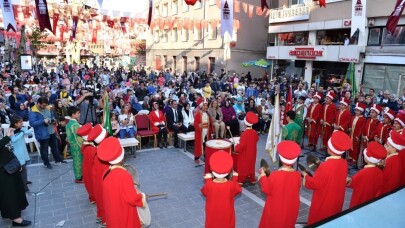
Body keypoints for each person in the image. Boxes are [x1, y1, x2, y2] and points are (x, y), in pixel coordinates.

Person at [302, 131, 351, 225]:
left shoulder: (326, 166)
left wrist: (305, 175)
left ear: (330, 148)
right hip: (336, 201)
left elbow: (315, 183)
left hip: (324, 202)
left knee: (319, 221)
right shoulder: (344, 163)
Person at [98, 137, 146, 228]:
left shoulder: (106, 172)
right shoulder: (124, 175)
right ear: (121, 159)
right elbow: (131, 199)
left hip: (112, 213)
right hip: (123, 212)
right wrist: (142, 196)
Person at [258, 141, 301, 228]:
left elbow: (266, 188)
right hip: (290, 208)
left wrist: (262, 175)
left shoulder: (275, 175)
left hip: (276, 208)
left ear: (281, 159)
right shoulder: (297, 175)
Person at [201, 151, 241, 228]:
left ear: (212, 170)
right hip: (226, 214)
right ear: (229, 171)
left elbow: (204, 192)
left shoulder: (209, 184)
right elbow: (237, 190)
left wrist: (208, 180)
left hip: (212, 215)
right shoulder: (231, 185)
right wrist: (235, 178)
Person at [0, 128, 31, 227]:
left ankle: (8, 213)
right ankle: (15, 218)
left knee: (13, 190)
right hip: (3, 168)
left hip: (8, 164)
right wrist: (7, 137)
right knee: (9, 193)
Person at [29, 97, 65, 169]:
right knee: (44, 149)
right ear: (38, 103)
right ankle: (46, 163)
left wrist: (53, 120)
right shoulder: (33, 111)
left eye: (45, 105)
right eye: (43, 105)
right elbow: (32, 123)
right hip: (42, 134)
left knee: (55, 147)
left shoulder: (48, 108)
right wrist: (43, 121)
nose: (44, 107)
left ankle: (58, 160)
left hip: (51, 131)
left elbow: (52, 116)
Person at [347, 142, 386, 208]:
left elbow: (351, 183)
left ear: (368, 158)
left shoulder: (363, 172)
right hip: (371, 198)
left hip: (359, 199)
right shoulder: (380, 172)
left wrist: (346, 179)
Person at [87, 124, 110, 225]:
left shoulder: (98, 150)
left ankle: (100, 215)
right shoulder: (103, 154)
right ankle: (105, 219)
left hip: (97, 180)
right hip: (102, 181)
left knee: (100, 199)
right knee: (105, 200)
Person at [10, 116, 33, 192]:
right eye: (20, 122)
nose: (21, 123)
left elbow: (27, 132)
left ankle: (25, 181)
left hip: (23, 151)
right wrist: (21, 133)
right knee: (22, 169)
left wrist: (29, 129)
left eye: (21, 122)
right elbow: (13, 140)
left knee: (24, 167)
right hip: (17, 153)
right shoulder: (11, 130)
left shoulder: (21, 129)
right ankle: (24, 186)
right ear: (15, 123)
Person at [235, 112, 259, 185]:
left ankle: (241, 180)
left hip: (245, 153)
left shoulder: (244, 134)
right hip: (252, 153)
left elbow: (241, 146)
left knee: (243, 165)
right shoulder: (254, 132)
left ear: (245, 123)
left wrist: (236, 146)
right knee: (251, 165)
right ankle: (252, 178)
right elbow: (256, 139)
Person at [379, 131, 404, 195]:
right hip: (392, 186)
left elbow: (385, 176)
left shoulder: (391, 160)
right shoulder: (396, 157)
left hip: (387, 187)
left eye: (387, 145)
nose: (385, 146)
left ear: (393, 147)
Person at [76, 123, 96, 203]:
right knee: (92, 183)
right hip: (91, 170)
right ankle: (94, 197)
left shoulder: (86, 145)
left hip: (87, 168)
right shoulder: (90, 149)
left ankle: (92, 197)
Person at [66, 106, 84, 183]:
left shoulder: (69, 123)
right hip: (77, 145)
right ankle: (79, 177)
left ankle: (79, 176)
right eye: (78, 113)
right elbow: (79, 136)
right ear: (73, 114)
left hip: (73, 145)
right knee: (79, 161)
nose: (79, 114)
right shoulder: (75, 125)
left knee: (76, 161)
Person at [194, 99, 213, 164]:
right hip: (200, 131)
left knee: (206, 144)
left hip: (207, 131)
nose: (206, 107)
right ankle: (196, 157)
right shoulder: (198, 114)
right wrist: (199, 125)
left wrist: (211, 129)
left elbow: (210, 122)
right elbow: (195, 123)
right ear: (202, 106)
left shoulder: (207, 114)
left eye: (206, 105)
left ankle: (206, 156)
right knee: (199, 144)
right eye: (204, 105)